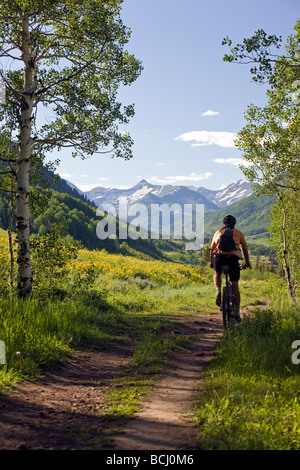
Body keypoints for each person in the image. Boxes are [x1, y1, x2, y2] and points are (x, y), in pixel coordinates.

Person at [210, 214, 250, 322]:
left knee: (217, 274)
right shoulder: (239, 233)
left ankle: (218, 291)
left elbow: (212, 249)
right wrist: (247, 262)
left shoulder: (218, 233)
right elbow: (245, 250)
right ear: (234, 224)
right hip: (232, 259)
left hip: (220, 257)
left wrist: (212, 263)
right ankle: (237, 313)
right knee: (235, 286)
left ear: (224, 223)